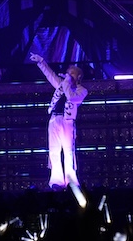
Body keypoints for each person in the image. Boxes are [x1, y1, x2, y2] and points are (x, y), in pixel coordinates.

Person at [30, 53, 89, 190]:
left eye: (72, 73)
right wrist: (41, 61)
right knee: (54, 150)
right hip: (54, 119)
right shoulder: (62, 84)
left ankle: (71, 180)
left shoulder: (82, 90)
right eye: (68, 73)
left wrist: (66, 82)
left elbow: (71, 97)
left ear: (78, 76)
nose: (68, 75)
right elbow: (50, 75)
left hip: (67, 122)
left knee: (68, 151)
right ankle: (56, 180)